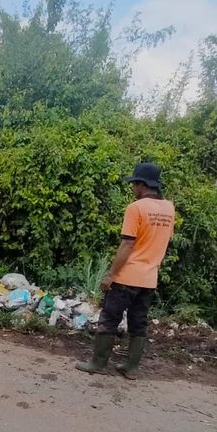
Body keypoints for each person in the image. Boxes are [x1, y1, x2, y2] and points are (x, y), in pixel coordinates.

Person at [76, 162, 175, 378]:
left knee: (109, 318)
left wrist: (111, 275)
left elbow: (128, 245)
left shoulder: (136, 208)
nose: (133, 189)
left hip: (127, 276)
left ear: (141, 184)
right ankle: (132, 368)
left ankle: (97, 363)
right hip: (149, 278)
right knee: (138, 322)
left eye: (134, 184)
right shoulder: (169, 208)